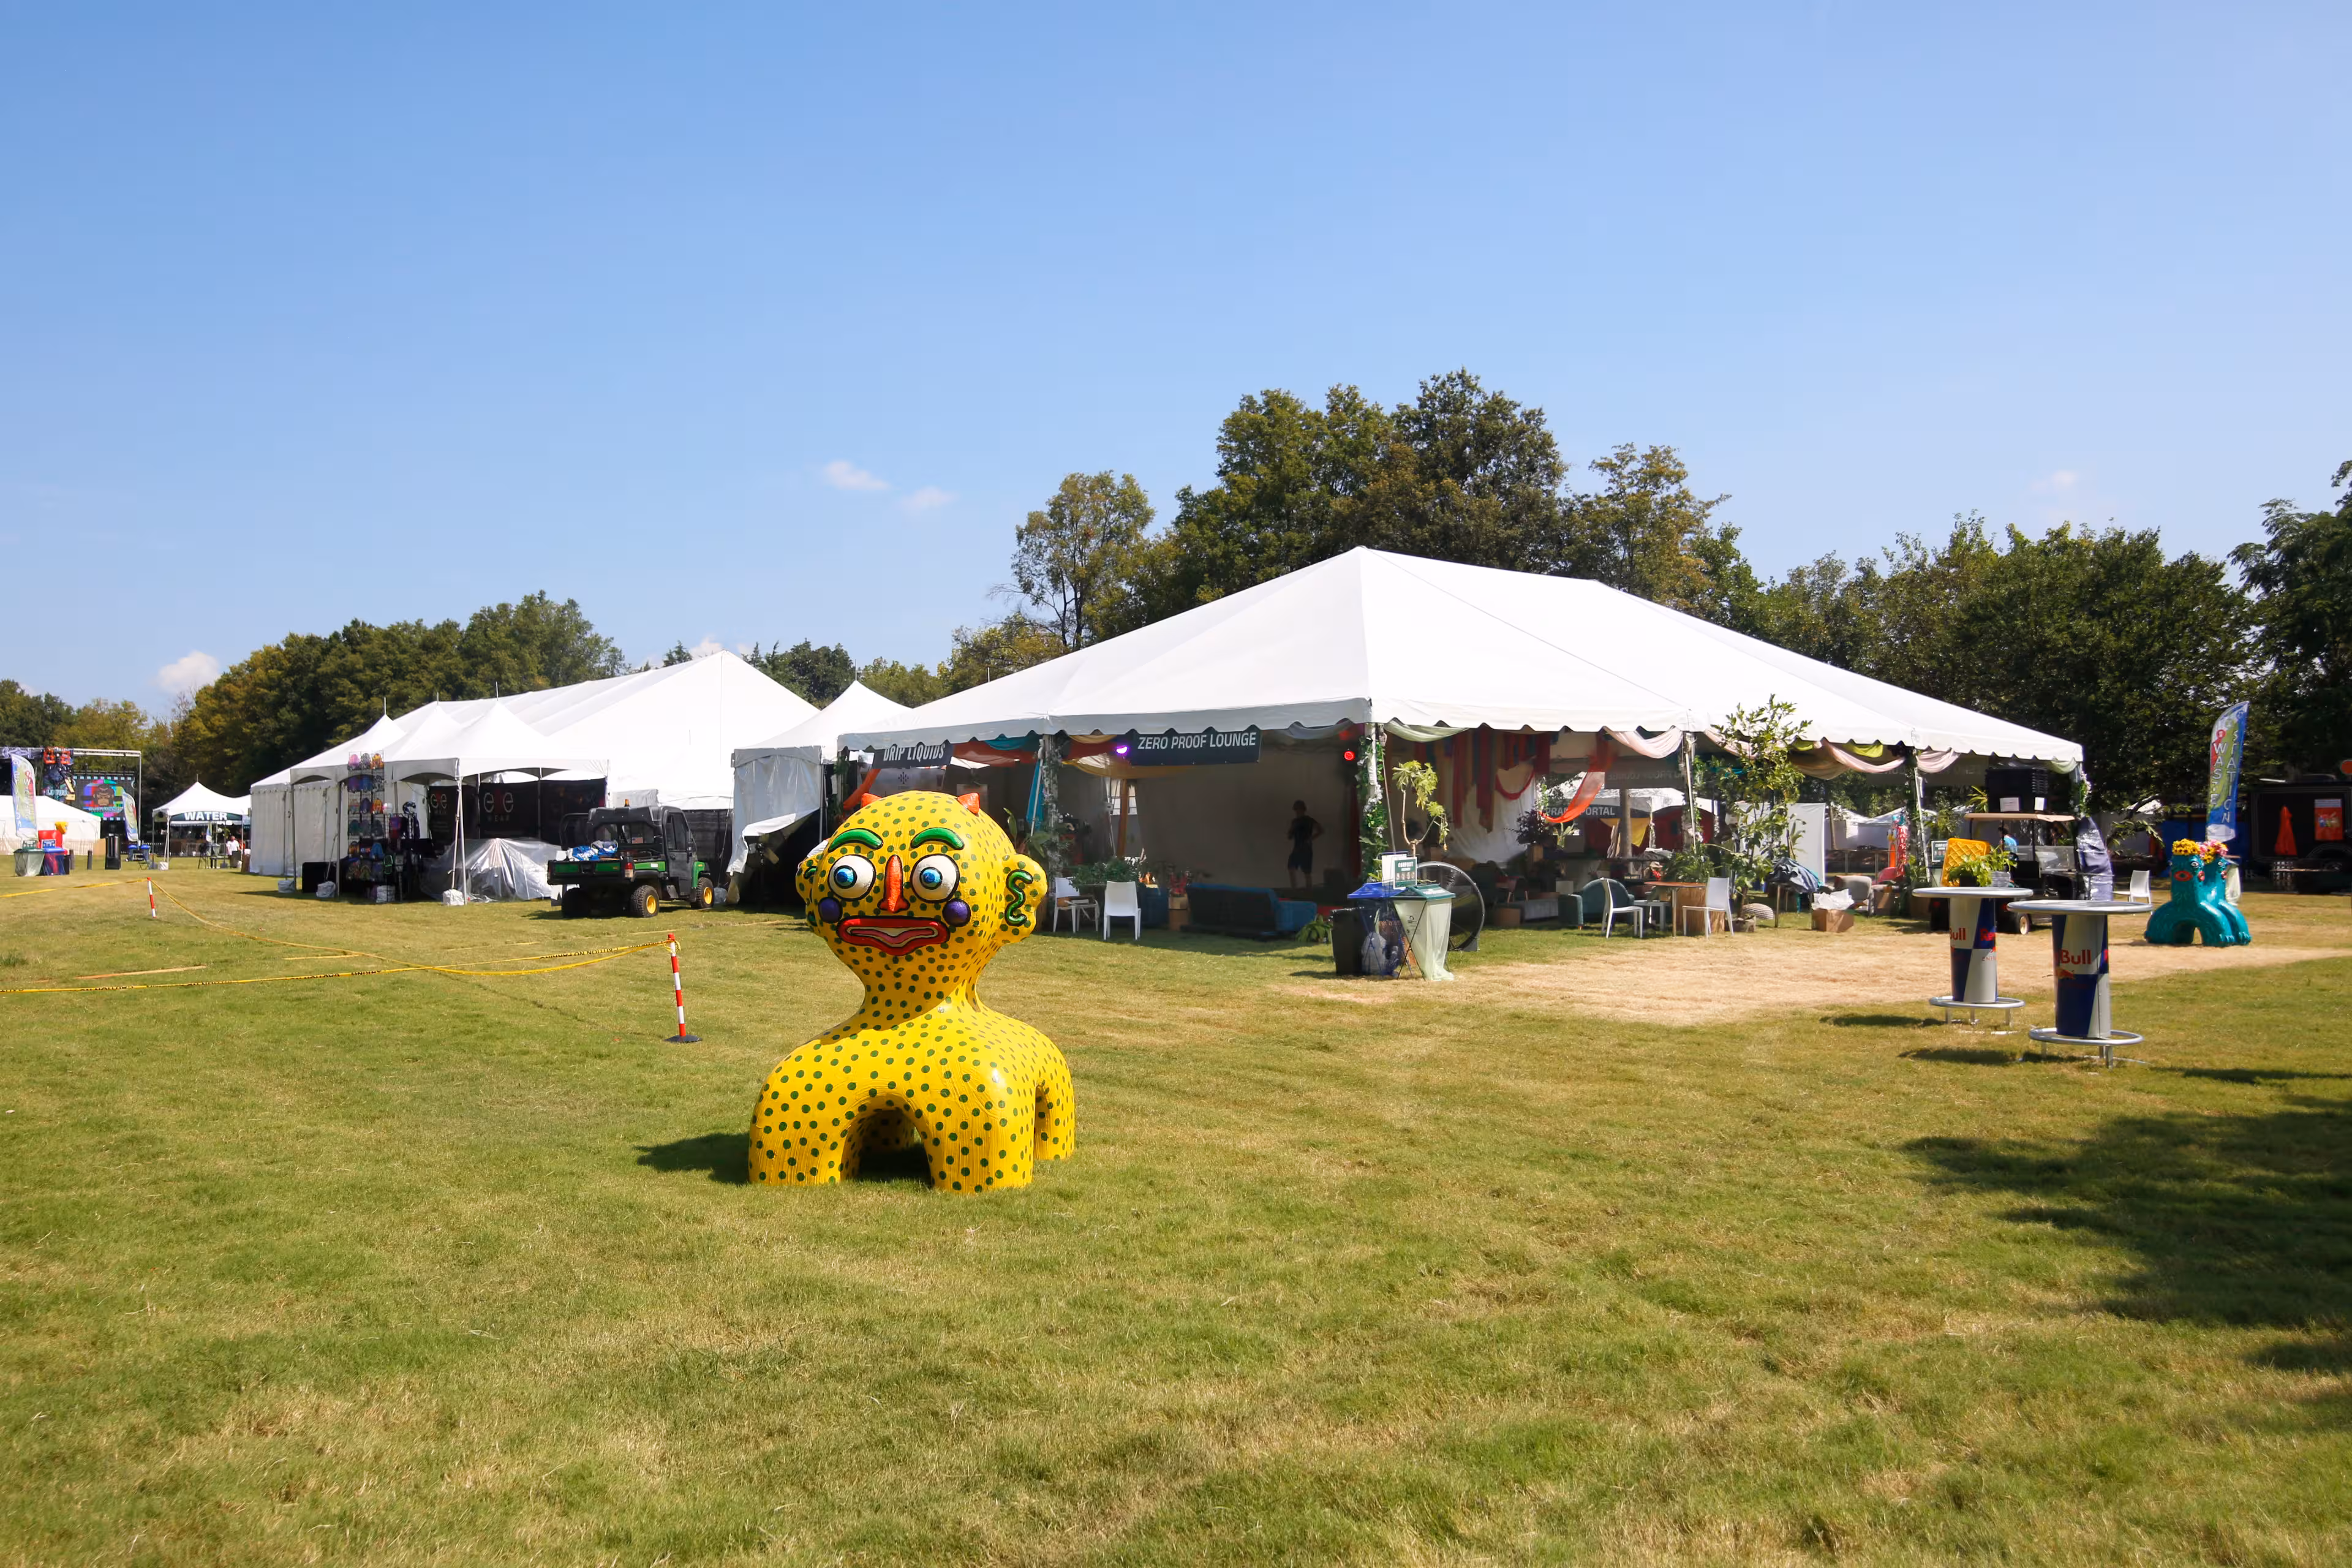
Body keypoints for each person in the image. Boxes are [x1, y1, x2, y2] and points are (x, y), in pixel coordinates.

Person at [1286, 799, 1323, 889]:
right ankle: (1294, 889)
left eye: (1299, 809)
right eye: (1296, 810)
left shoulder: (1309, 820)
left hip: (1306, 847)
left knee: (1307, 871)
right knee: (1291, 867)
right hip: (1298, 847)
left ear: (1303, 810)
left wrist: (1310, 839)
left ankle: (1309, 890)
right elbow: (1289, 836)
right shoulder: (1295, 822)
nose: (1298, 812)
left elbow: (1321, 830)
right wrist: (1291, 830)